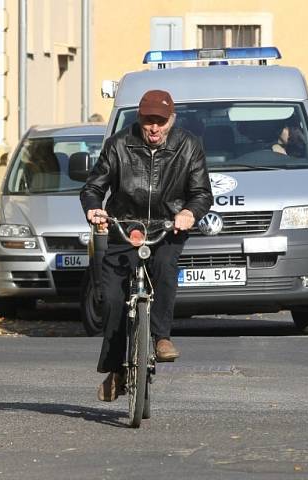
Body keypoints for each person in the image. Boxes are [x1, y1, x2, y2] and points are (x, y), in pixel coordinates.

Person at [80, 89, 212, 401]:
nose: (153, 127)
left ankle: (161, 337)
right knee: (111, 299)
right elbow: (93, 187)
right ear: (139, 118)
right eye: (147, 120)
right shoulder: (119, 145)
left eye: (160, 121)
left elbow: (202, 192)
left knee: (165, 267)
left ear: (171, 120)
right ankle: (117, 370)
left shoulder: (189, 146)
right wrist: (94, 208)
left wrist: (188, 213)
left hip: (167, 229)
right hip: (125, 228)